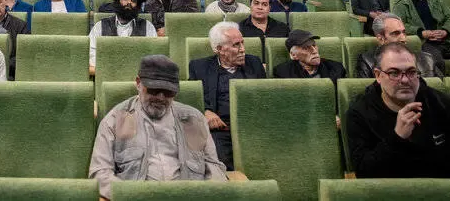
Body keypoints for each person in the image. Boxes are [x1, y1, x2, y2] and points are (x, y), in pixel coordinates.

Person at [344, 43, 450, 180]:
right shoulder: (359, 112)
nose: (405, 80)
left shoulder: (446, 105)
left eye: (411, 72)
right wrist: (397, 138)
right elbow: (364, 172)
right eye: (394, 73)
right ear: (378, 75)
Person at [90, 55, 227, 199]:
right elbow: (100, 173)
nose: (161, 97)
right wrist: (132, 196)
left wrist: (206, 195)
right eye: (154, 90)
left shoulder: (193, 120)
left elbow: (214, 167)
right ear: (138, 83)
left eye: (168, 92)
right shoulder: (115, 120)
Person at [189, 22, 266, 169]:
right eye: (236, 45)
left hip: (251, 128)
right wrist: (205, 111)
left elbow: (265, 96)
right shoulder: (199, 67)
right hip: (220, 130)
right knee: (220, 164)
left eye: (242, 43)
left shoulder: (254, 63)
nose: (243, 49)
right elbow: (191, 97)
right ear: (219, 49)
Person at [88, 0, 157, 72]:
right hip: (107, 73)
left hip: (138, 75)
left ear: (137, 5)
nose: (129, 2)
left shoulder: (148, 26)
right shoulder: (100, 26)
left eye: (133, 0)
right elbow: (91, 53)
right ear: (118, 1)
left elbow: (153, 54)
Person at [356, 14, 440, 79]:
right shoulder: (367, 61)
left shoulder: (428, 59)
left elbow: (441, 89)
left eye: (404, 32)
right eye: (395, 33)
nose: (403, 38)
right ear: (381, 39)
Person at [272, 30, 346, 83]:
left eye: (314, 45)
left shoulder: (336, 69)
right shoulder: (283, 73)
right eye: (305, 48)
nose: (314, 51)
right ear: (293, 55)